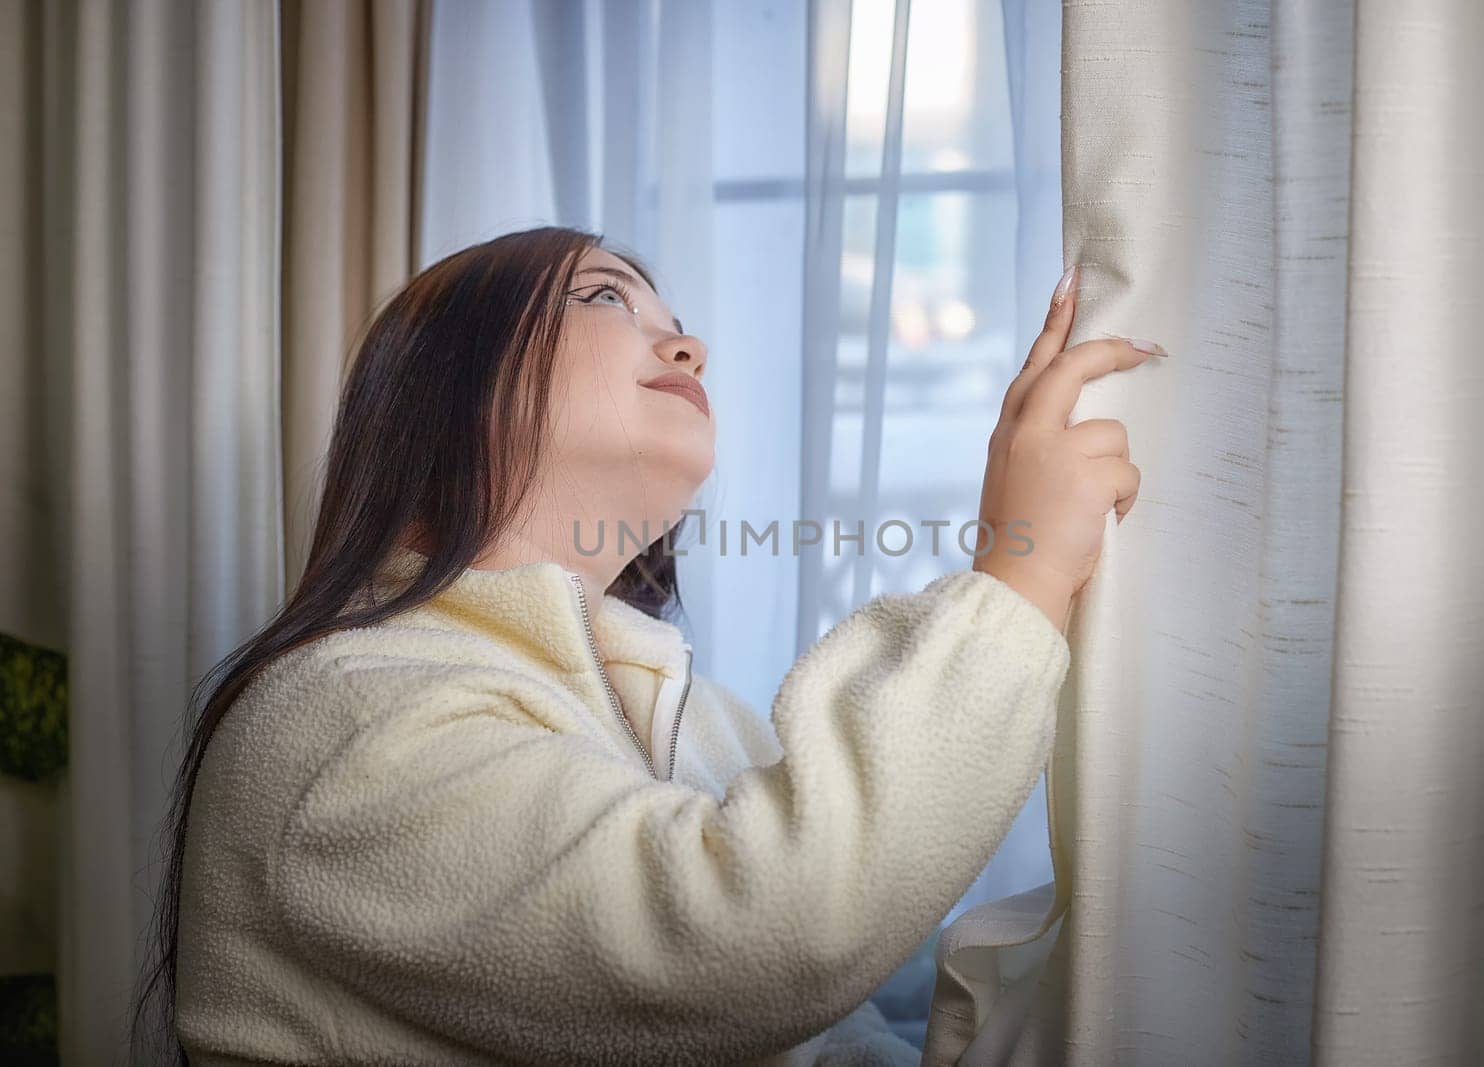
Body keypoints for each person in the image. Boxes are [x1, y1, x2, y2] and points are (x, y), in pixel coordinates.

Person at [131, 226, 1153, 1065]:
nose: (687, 347)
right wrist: (1015, 581)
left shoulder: (703, 721)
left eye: (678, 323)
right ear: (436, 391)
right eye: (608, 299)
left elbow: (827, 1034)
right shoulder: (335, 713)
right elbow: (757, 939)